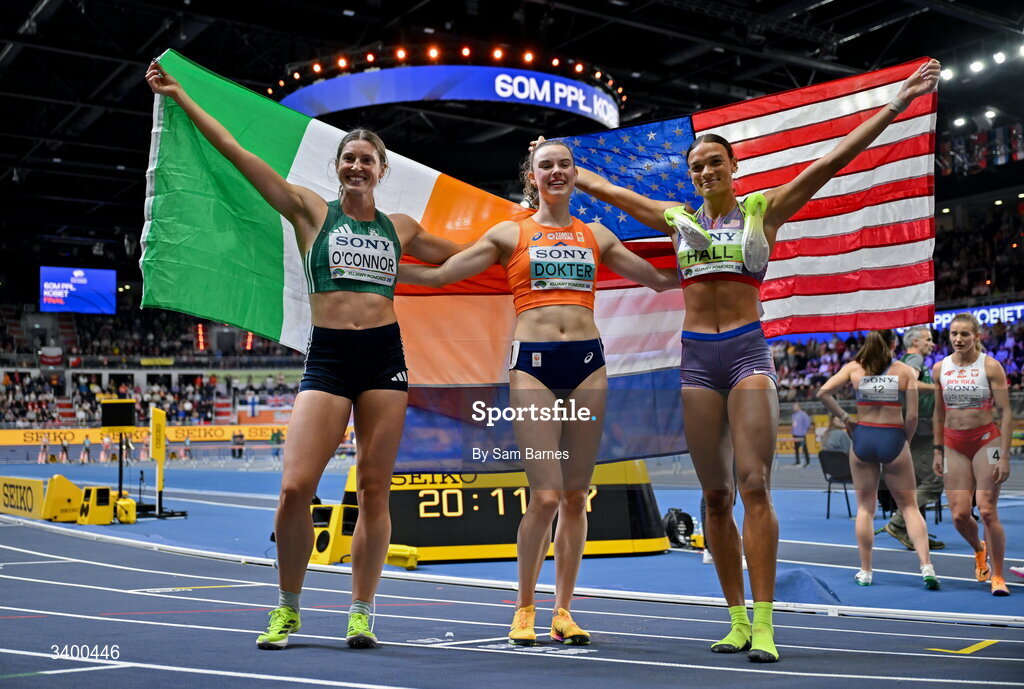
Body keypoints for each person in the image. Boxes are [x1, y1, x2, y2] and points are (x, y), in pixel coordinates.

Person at [558, 59, 941, 662]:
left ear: (733, 169)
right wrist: (555, 159)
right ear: (690, 175)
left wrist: (896, 104)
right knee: (715, 497)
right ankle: (735, 616)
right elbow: (605, 188)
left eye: (714, 162)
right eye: (696, 165)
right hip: (694, 361)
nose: (705, 170)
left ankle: (765, 622)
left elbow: (831, 162)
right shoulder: (677, 219)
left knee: (755, 484)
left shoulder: (764, 210)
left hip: (746, 354)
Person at [146, 60, 462, 649]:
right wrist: (181, 94)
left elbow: (475, 254)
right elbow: (234, 150)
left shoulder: (404, 227)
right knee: (296, 488)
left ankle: (362, 610)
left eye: (367, 158)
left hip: (385, 356)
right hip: (330, 357)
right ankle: (288, 606)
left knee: (374, 487)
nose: (357, 165)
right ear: (339, 166)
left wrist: (538, 226)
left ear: (381, 169)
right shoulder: (311, 210)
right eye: (349, 157)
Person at [399, 138, 677, 647]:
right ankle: (524, 606)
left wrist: (719, 265)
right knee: (546, 494)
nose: (555, 172)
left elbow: (660, 280)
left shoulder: (597, 234)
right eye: (545, 165)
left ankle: (563, 611)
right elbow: (442, 274)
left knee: (575, 496)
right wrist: (371, 271)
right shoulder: (510, 233)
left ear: (575, 174)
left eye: (563, 165)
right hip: (534, 370)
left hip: (589, 366)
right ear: (531, 176)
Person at [817, 330, 939, 590]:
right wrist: (902, 440)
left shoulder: (854, 368)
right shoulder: (904, 371)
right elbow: (913, 417)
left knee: (865, 509)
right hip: (892, 437)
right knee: (909, 507)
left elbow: (823, 393)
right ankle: (926, 566)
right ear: (894, 344)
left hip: (864, 437)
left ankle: (866, 570)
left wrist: (846, 419)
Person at [933, 313, 1012, 596]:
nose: (958, 339)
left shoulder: (990, 366)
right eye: (954, 334)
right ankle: (980, 550)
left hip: (986, 442)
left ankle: (999, 577)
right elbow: (939, 412)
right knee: (958, 515)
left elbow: (1005, 412)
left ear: (977, 336)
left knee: (988, 510)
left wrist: (1003, 455)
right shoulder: (939, 368)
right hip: (953, 444)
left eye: (965, 334)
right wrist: (937, 450)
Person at [883, 326, 945, 551]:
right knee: (936, 480)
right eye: (928, 340)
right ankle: (899, 523)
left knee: (920, 481)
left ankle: (917, 534)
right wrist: (938, 388)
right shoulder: (914, 360)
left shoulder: (909, 361)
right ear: (916, 341)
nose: (932, 343)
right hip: (920, 429)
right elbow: (909, 383)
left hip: (917, 428)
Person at [790, 402, 811, 466]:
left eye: (795, 406)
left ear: (799, 407)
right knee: (796, 448)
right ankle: (797, 461)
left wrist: (805, 430)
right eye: (793, 406)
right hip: (795, 434)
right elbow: (794, 424)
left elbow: (808, 423)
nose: (794, 407)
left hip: (801, 434)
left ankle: (807, 461)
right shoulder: (793, 415)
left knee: (804, 448)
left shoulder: (803, 414)